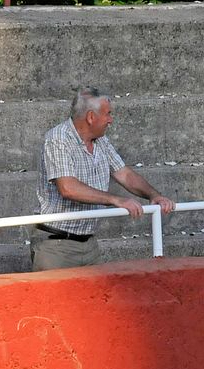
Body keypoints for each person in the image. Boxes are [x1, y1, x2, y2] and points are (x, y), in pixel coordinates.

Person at [31, 87, 176, 271]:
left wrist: (154, 195)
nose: (111, 120)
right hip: (56, 247)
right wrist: (115, 199)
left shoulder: (100, 140)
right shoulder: (58, 139)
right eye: (108, 114)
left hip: (89, 244)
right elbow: (67, 187)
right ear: (91, 117)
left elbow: (124, 174)